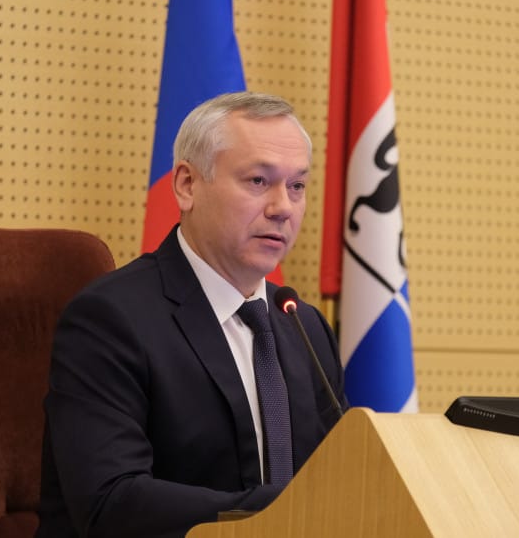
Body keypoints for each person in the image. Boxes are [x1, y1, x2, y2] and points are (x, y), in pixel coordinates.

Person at [36, 91, 348, 538]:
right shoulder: (110, 320)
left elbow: (342, 476)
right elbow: (111, 502)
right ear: (186, 185)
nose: (283, 207)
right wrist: (289, 509)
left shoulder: (304, 326)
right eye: (258, 181)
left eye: (296, 186)